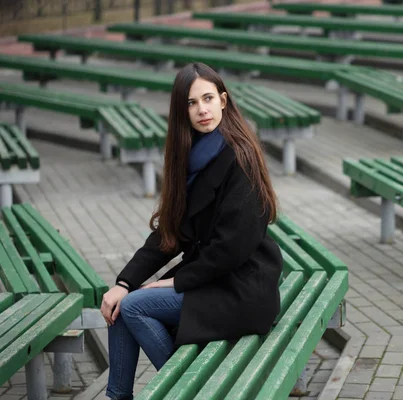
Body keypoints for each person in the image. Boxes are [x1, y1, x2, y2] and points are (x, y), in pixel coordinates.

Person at [100, 62, 283, 400]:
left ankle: (194, 391)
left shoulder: (239, 157)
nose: (202, 109)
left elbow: (231, 249)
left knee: (135, 307)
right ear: (181, 111)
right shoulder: (191, 159)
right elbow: (169, 233)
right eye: (191, 102)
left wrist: (172, 281)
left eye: (208, 98)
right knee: (122, 304)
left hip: (241, 288)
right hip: (214, 279)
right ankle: (117, 396)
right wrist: (124, 283)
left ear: (223, 101)